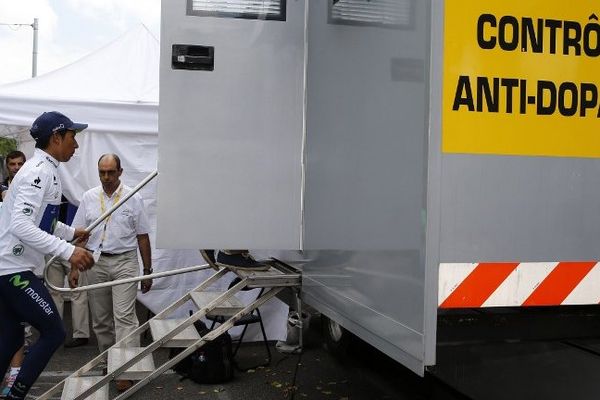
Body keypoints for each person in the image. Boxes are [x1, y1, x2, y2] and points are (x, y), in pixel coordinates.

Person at [0, 111, 95, 400]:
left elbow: (45, 222)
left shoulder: (46, 168)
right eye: (72, 138)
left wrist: (71, 231)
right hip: (13, 269)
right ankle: (15, 396)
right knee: (53, 331)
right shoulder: (38, 172)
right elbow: (20, 225)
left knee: (12, 337)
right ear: (56, 138)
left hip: (12, 268)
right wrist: (69, 251)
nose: (75, 146)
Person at [71, 153, 153, 392]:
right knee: (101, 319)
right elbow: (80, 237)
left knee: (125, 317)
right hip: (95, 262)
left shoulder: (133, 197)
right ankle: (109, 363)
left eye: (110, 172)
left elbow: (142, 236)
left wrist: (147, 270)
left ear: (120, 172)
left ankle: (126, 369)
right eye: (102, 172)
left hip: (125, 261)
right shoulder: (88, 198)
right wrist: (74, 268)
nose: (106, 177)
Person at [0, 151, 26, 397]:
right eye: (12, 164)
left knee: (17, 324)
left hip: (17, 263)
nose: (16, 168)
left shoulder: (28, 189)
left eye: (20, 164)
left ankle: (14, 377)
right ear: (7, 167)